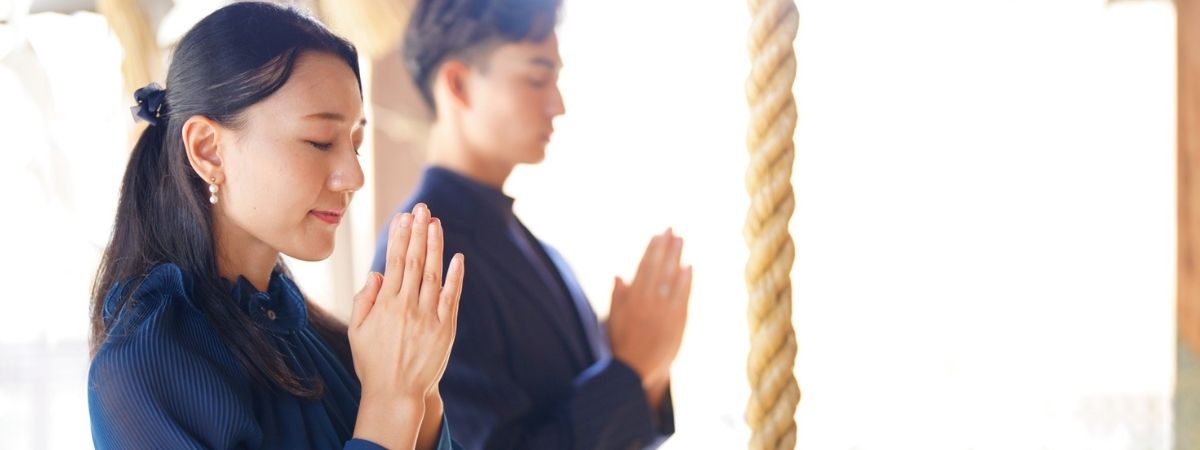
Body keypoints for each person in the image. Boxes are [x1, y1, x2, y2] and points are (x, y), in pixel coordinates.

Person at [88, 3, 464, 449]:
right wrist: (392, 397)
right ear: (208, 150)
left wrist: (420, 388)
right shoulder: (148, 361)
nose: (354, 177)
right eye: (320, 142)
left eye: (355, 144)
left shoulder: (316, 335)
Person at [372, 0, 692, 448]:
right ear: (459, 83)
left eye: (556, 78)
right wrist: (633, 370)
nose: (557, 104)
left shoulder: (523, 240)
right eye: (537, 79)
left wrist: (647, 374)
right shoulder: (426, 253)